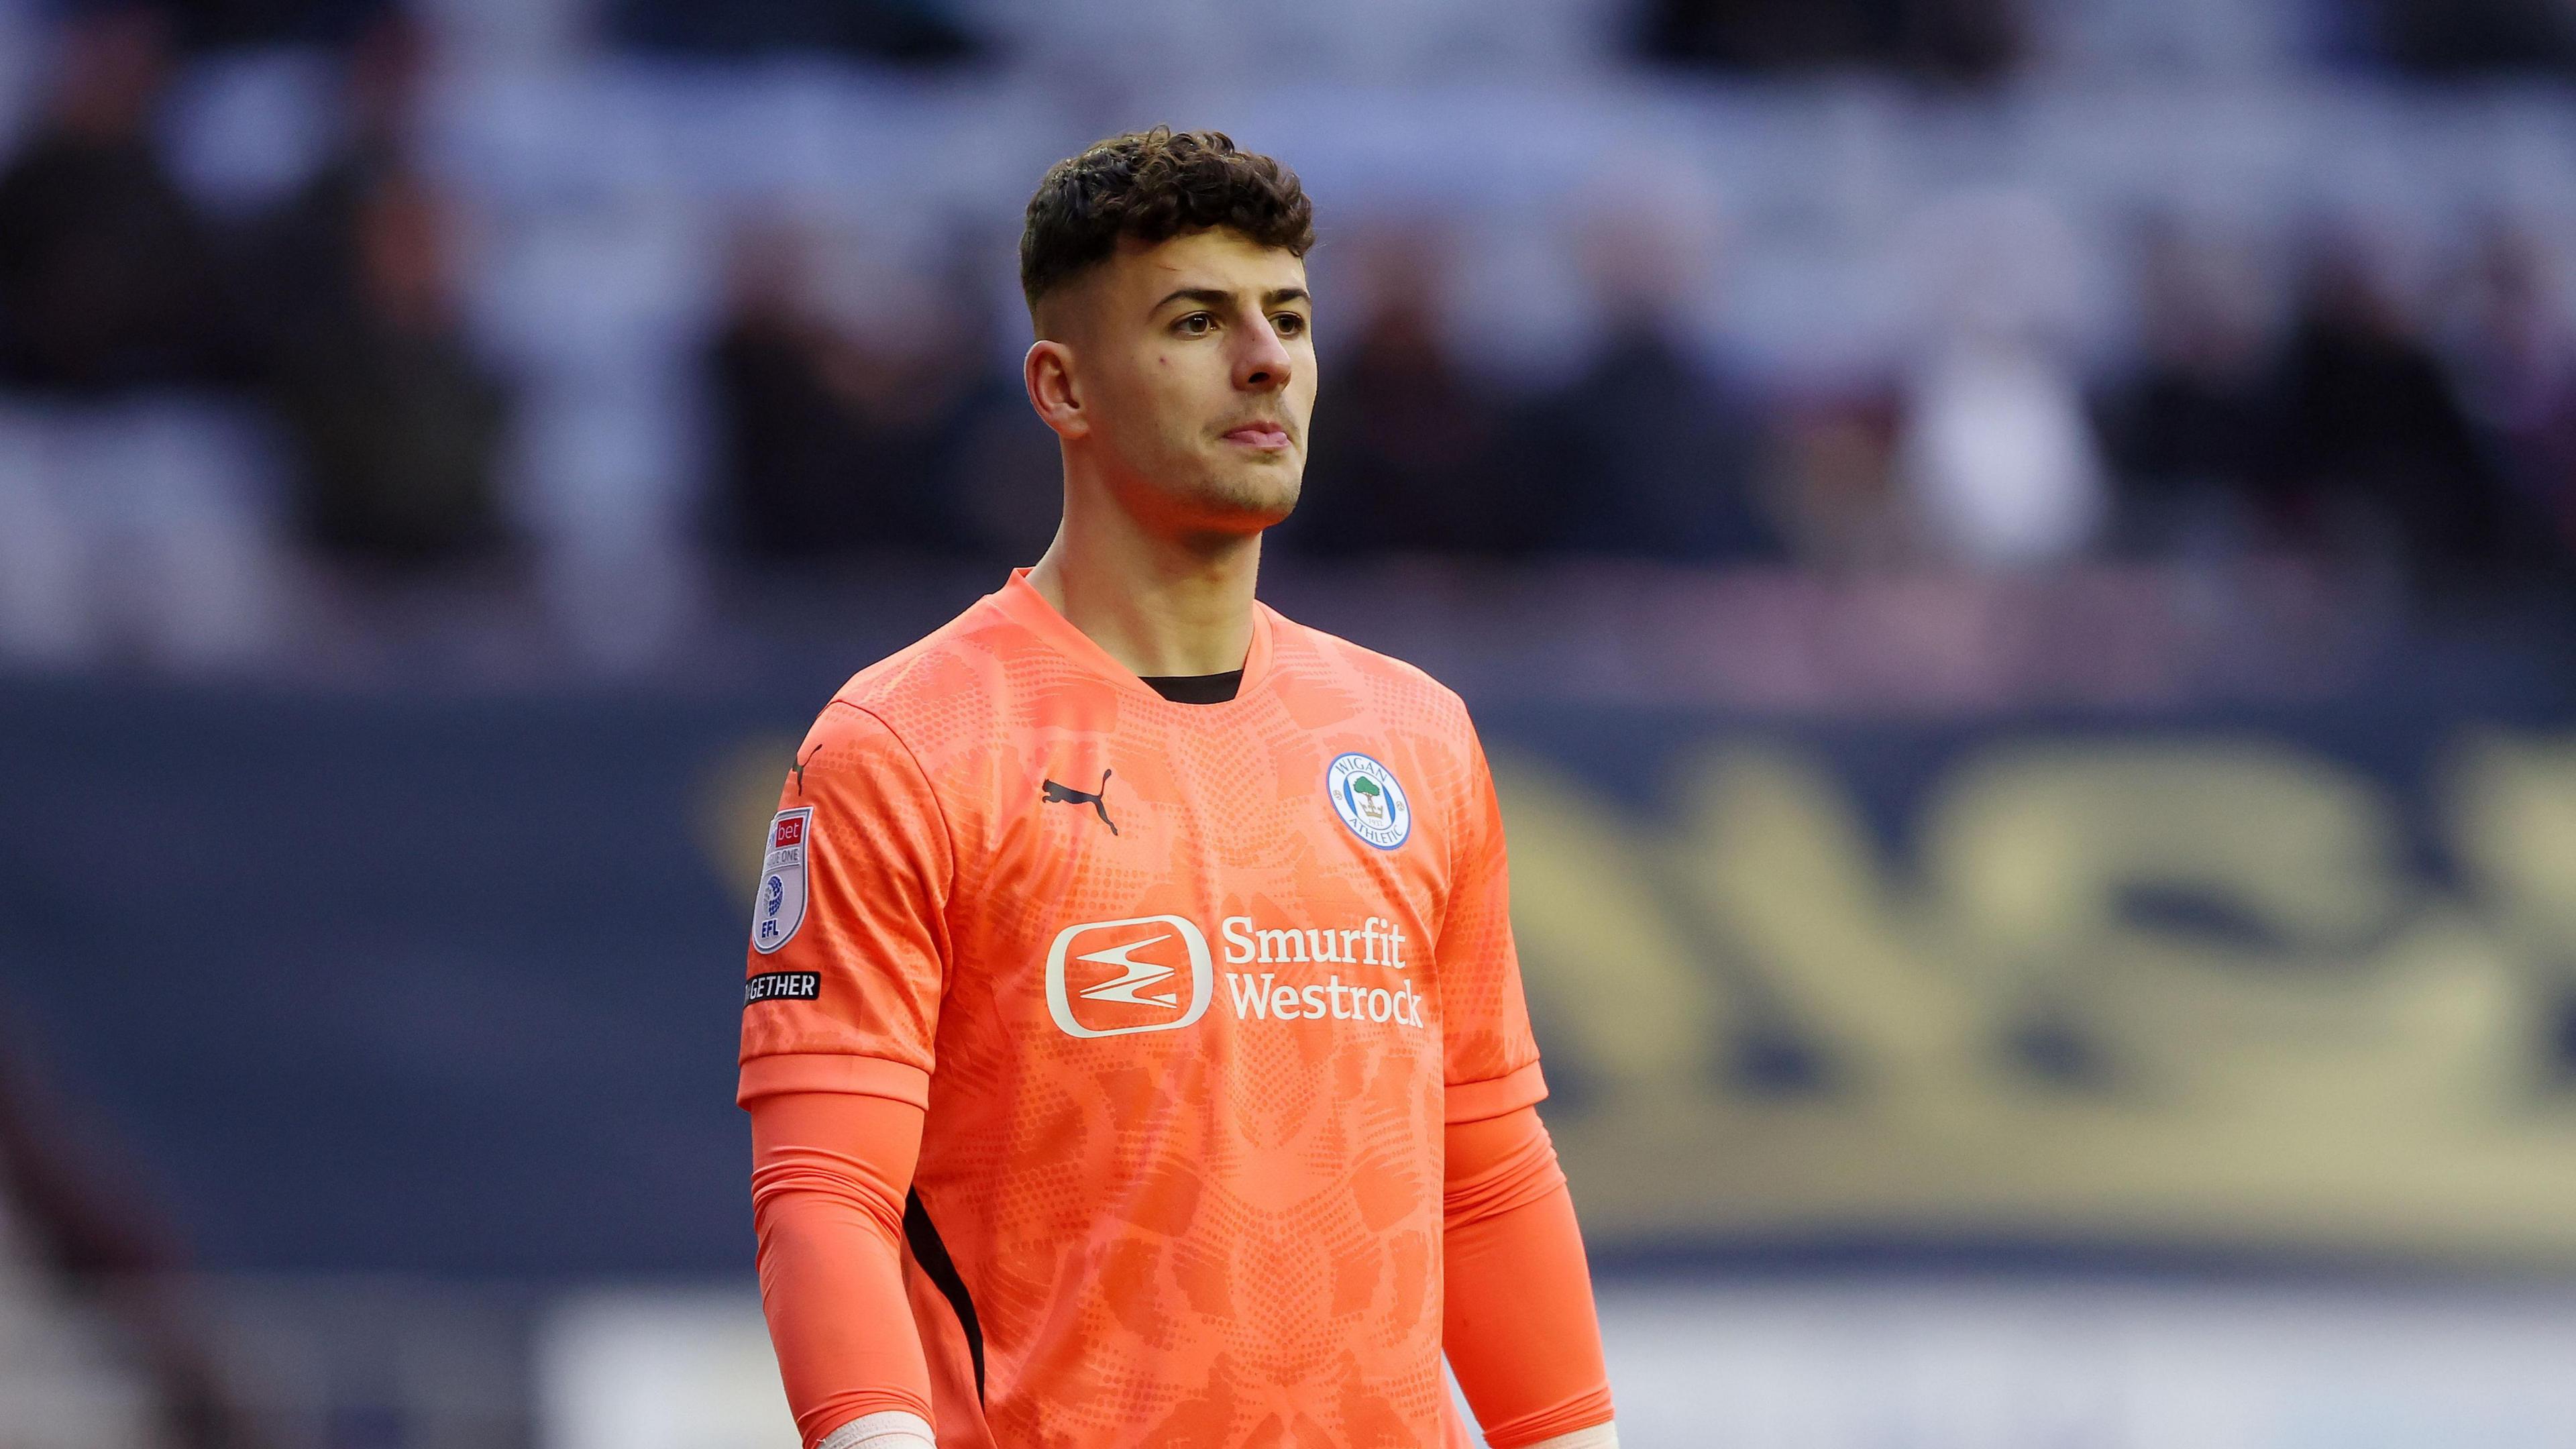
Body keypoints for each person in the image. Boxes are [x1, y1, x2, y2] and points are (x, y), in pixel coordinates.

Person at [737, 129, 1617, 1449]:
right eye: (1197, 320)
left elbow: (1483, 1178)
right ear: (1062, 388)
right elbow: (825, 1194)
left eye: (1291, 318)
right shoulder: (902, 747)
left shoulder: (1414, 736)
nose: (1266, 359)